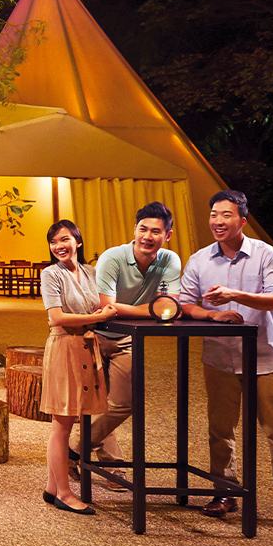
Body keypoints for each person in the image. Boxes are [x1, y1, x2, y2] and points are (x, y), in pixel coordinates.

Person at [178, 191, 273, 535]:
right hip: (218, 356)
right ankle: (226, 491)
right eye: (213, 215)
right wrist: (210, 314)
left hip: (262, 357)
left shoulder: (264, 254)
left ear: (243, 221)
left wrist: (236, 295)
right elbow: (185, 303)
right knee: (221, 430)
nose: (218, 221)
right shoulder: (199, 259)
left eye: (226, 215)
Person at [77, 201, 185, 483]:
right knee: (92, 404)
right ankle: (113, 465)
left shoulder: (170, 260)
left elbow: (170, 305)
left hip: (128, 339)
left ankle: (75, 451)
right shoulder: (113, 257)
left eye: (156, 231)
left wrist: (155, 308)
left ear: (167, 235)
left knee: (124, 404)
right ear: (135, 230)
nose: (148, 236)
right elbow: (106, 306)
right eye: (143, 229)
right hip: (93, 334)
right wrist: (152, 310)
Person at [37, 220, 118, 515]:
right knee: (62, 424)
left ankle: (51, 486)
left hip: (86, 346)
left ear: (78, 242)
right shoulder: (50, 274)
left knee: (76, 417)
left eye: (65, 239)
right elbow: (57, 318)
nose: (59, 246)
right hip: (63, 348)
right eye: (54, 242)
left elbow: (101, 306)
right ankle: (65, 493)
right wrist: (95, 318)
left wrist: (97, 315)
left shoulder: (91, 273)